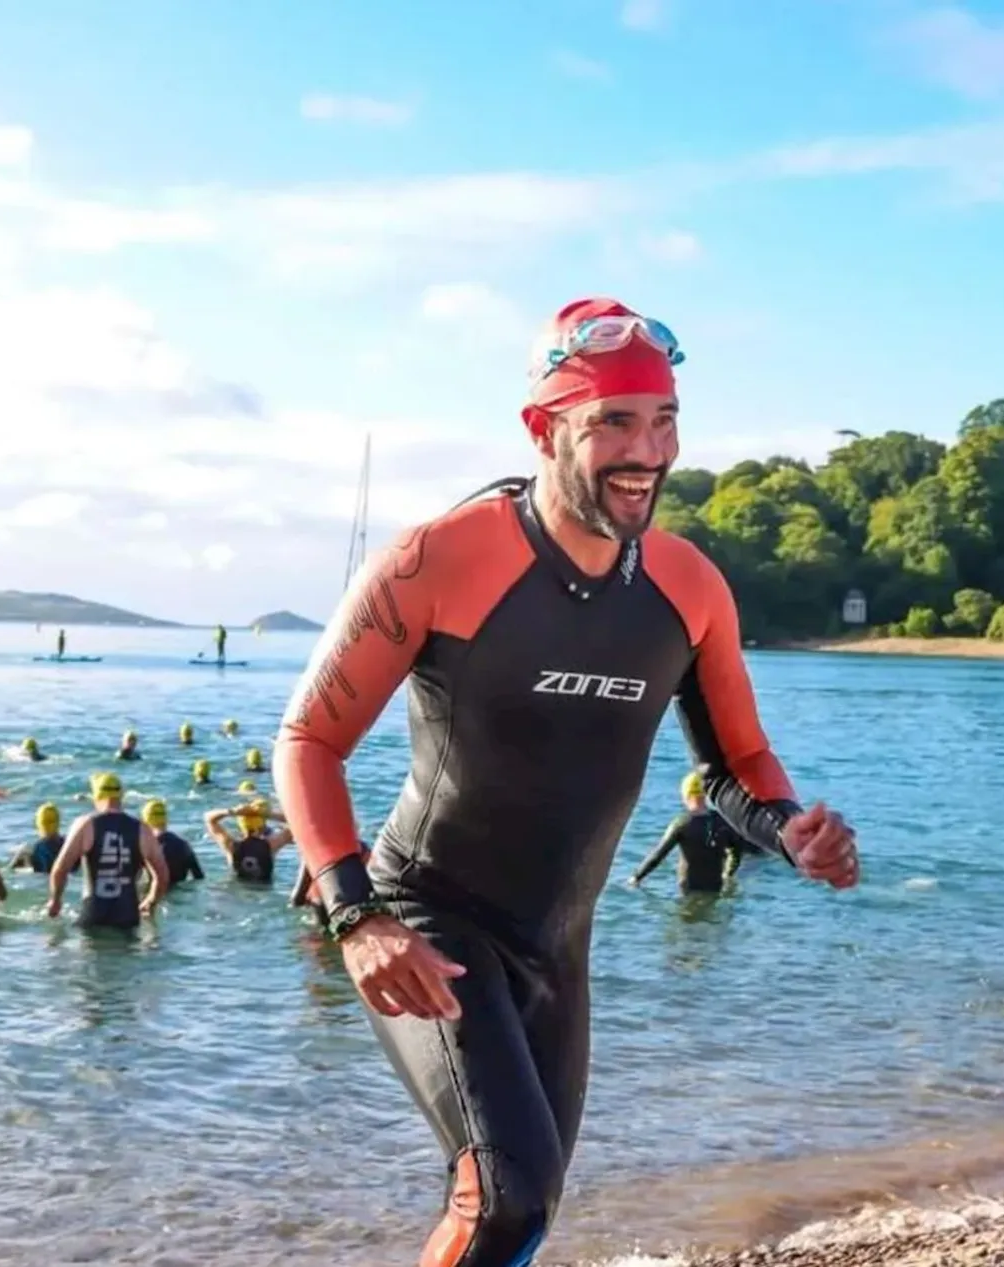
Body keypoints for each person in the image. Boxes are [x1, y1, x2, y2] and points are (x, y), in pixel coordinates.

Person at [271, 296, 859, 1267]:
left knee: (525, 1216)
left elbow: (733, 768)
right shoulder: (436, 561)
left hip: (557, 946)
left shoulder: (688, 586)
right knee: (503, 1197)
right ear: (544, 429)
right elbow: (311, 737)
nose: (649, 450)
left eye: (664, 419)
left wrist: (787, 828)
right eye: (615, 422)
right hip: (429, 919)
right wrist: (355, 915)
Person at [45, 774, 169, 930]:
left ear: (97, 796)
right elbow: (162, 876)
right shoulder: (142, 829)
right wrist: (150, 902)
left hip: (94, 915)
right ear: (121, 796)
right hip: (128, 916)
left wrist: (55, 901)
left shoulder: (86, 824)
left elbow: (60, 869)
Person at [627, 770, 762, 894]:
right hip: (715, 887)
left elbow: (658, 855)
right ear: (705, 794)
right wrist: (728, 874)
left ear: (686, 795)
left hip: (688, 888)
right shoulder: (723, 821)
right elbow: (736, 851)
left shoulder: (682, 823)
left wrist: (636, 877)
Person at [202, 799, 287, 884]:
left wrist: (232, 811)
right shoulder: (271, 845)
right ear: (262, 827)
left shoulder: (231, 846)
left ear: (241, 827)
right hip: (264, 892)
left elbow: (208, 818)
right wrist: (268, 814)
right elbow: (296, 821)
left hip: (237, 893)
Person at [141, 798, 205, 887]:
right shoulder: (183, 845)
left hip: (154, 895)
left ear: (145, 820)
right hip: (180, 895)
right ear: (166, 818)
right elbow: (199, 877)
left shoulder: (146, 847)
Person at [9, 803, 67, 873]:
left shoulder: (37, 849)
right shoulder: (69, 844)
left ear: (38, 824)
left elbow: (10, 872)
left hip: (40, 877)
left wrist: (20, 853)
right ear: (58, 822)